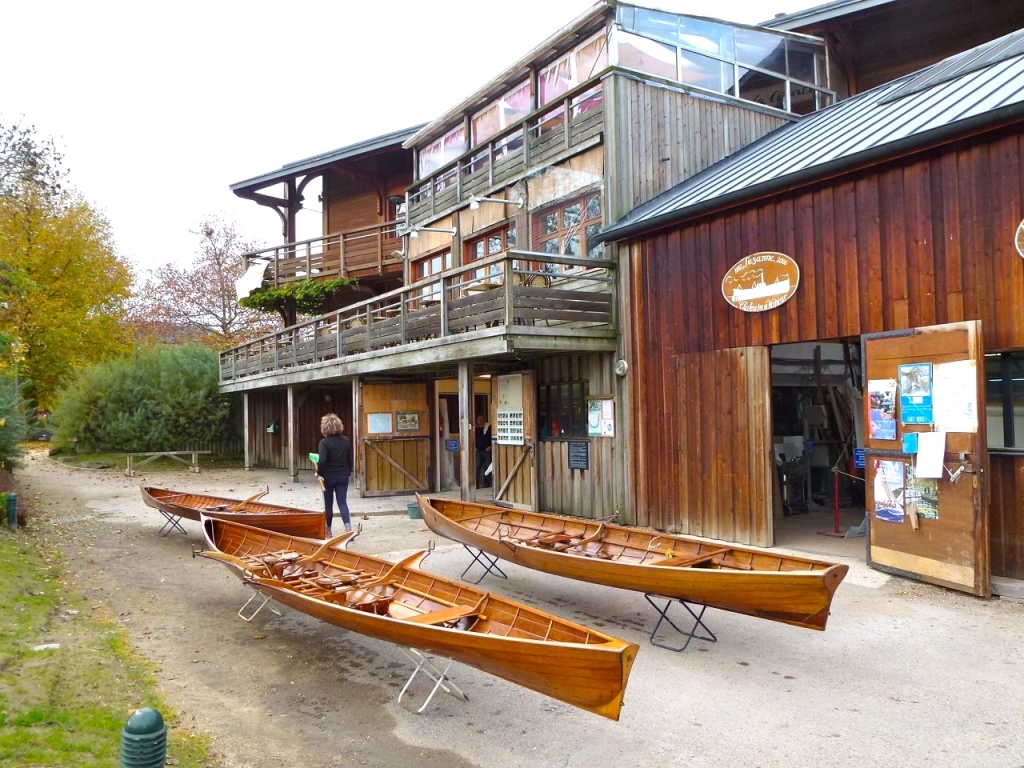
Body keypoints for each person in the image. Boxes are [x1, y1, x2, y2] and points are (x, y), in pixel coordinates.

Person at [315, 413, 353, 537]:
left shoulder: (324, 443)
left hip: (328, 477)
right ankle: (348, 529)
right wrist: (348, 473)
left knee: (328, 503)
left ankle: (328, 530)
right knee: (342, 502)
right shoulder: (346, 441)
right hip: (343, 476)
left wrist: (319, 473)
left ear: (324, 427)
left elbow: (323, 461)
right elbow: (350, 460)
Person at [474, 413, 492, 488]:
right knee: (477, 467)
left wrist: (491, 446)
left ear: (484, 419)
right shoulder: (475, 428)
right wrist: (474, 447)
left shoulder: (488, 427)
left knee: (487, 467)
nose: (480, 420)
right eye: (478, 419)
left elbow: (492, 437)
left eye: (481, 418)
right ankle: (476, 484)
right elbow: (472, 438)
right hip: (478, 451)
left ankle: (487, 484)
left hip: (487, 450)